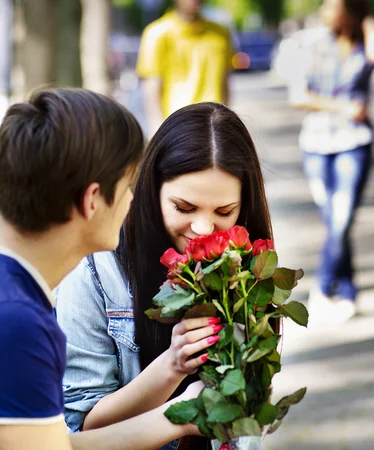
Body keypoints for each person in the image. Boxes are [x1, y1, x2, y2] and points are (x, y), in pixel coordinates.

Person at [0, 89, 204, 450]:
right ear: (92, 200)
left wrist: (181, 416)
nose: (134, 202)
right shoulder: (10, 320)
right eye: (128, 187)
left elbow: (54, 444)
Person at [56, 102, 273, 450]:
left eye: (224, 211)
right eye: (184, 208)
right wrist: (173, 367)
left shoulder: (246, 267)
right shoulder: (96, 272)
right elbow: (81, 432)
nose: (203, 228)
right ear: (150, 189)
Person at [289, 0, 374, 323]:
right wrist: (341, 108)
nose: (326, 10)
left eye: (335, 4)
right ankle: (348, 289)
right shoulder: (313, 44)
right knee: (335, 222)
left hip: (354, 144)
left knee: (341, 220)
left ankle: (322, 288)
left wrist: (369, 21)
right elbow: (298, 96)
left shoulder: (363, 45)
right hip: (317, 144)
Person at [136, 0, 234, 136]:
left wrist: (227, 122)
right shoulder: (157, 33)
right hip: (177, 128)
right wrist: (157, 131)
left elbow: (225, 82)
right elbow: (151, 88)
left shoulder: (221, 33)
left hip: (214, 126)